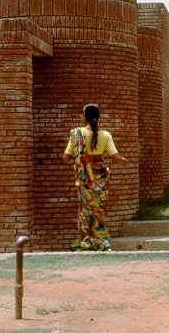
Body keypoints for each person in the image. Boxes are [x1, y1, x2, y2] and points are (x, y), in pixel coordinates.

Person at [63, 103, 126, 251]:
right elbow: (116, 157)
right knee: (97, 209)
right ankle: (101, 240)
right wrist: (123, 160)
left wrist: (79, 156)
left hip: (84, 179)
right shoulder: (106, 135)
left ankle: (87, 240)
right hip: (100, 180)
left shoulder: (76, 134)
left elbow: (65, 158)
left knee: (85, 209)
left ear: (84, 116)